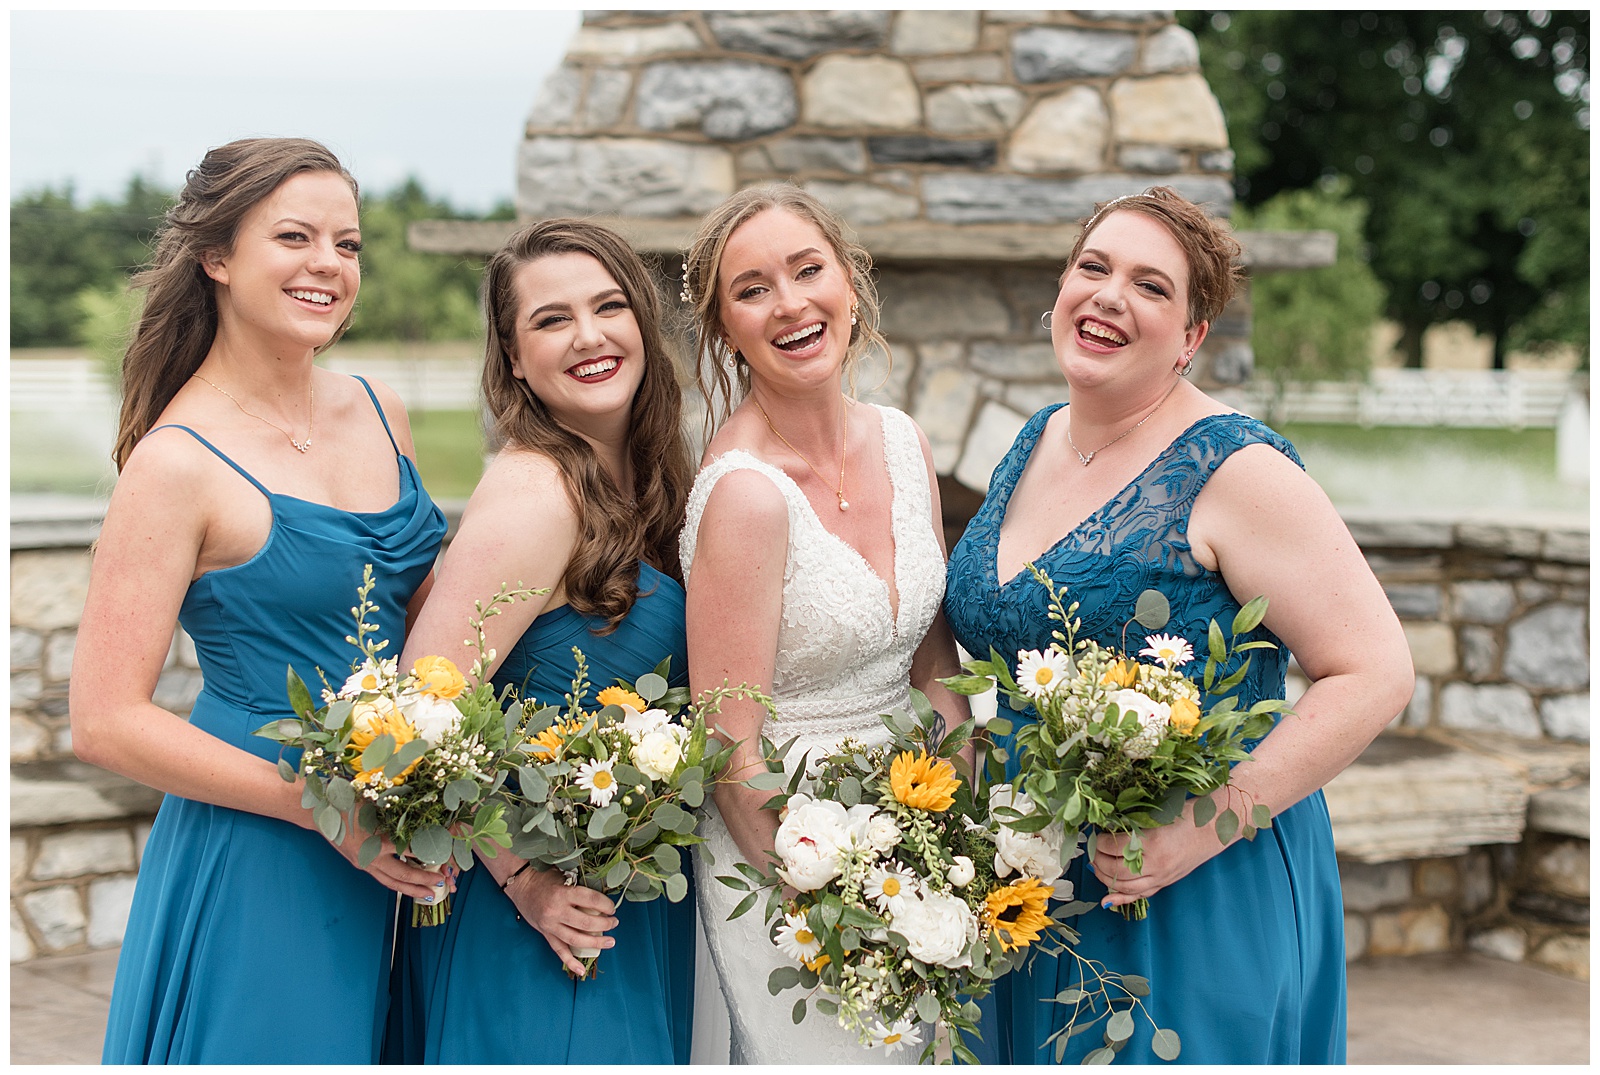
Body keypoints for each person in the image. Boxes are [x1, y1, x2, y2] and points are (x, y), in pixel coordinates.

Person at [943, 187, 1415, 1063]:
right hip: (1032, 879)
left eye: (1151, 286)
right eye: (1094, 267)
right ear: (1061, 288)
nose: (1110, 295)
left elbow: (1376, 671)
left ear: (1192, 338)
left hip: (1188, 878)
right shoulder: (1037, 437)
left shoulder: (1237, 469)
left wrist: (1199, 828)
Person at [69, 138, 450, 1064]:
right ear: (218, 257)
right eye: (296, 236)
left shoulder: (378, 405)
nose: (329, 263)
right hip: (262, 846)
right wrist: (323, 808)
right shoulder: (175, 465)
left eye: (348, 244)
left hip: (412, 830)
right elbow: (105, 720)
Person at [383, 219, 697, 1064]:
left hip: (622, 896)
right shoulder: (535, 491)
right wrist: (526, 879)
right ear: (514, 358)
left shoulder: (651, 482)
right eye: (553, 319)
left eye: (609, 306)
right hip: (534, 914)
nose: (590, 336)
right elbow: (417, 713)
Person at [679, 184, 976, 1064]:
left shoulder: (903, 442)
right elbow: (729, 745)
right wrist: (830, 910)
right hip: (788, 854)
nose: (791, 304)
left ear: (851, 284)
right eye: (753, 288)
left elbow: (934, 665)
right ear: (725, 327)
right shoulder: (744, 495)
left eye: (809, 271)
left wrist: (959, 835)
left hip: (910, 835)